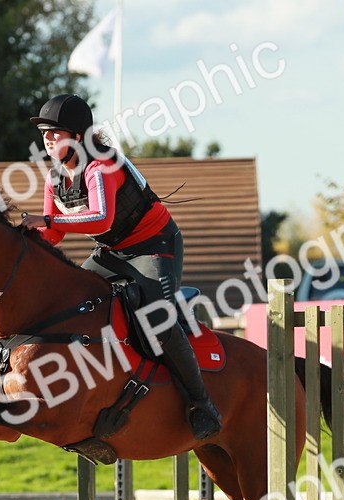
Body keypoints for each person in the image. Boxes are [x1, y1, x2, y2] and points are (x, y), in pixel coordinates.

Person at [21, 93, 222, 440]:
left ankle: (202, 404)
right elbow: (52, 234)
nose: (48, 138)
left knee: (157, 316)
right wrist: (22, 244)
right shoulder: (54, 179)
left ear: (79, 137)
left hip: (155, 246)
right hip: (112, 251)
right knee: (72, 298)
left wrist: (47, 218)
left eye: (56, 132)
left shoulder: (101, 167)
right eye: (45, 133)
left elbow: (101, 218)